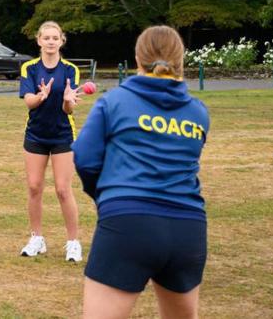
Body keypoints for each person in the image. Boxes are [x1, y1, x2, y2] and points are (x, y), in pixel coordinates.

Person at [72, 26, 210, 319]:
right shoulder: (198, 112)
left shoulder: (114, 102)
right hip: (188, 229)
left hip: (128, 223)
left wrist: (107, 197)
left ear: (137, 58)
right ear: (181, 60)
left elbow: (85, 158)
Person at [18, 21, 85, 261]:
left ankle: (73, 242)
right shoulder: (30, 68)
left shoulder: (69, 70)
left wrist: (67, 99)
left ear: (61, 41)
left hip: (62, 135)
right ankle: (37, 238)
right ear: (38, 41)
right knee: (34, 187)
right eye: (46, 38)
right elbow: (28, 101)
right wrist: (41, 96)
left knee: (62, 189)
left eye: (54, 38)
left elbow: (69, 110)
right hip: (35, 134)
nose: (50, 42)